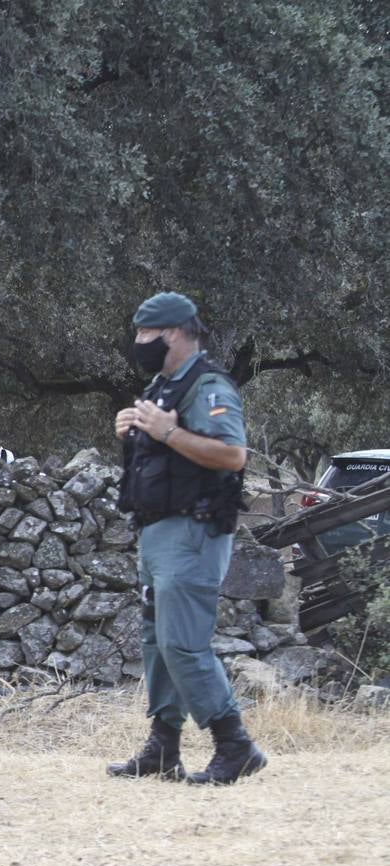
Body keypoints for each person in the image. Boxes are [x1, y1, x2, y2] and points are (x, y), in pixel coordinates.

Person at [110, 291, 266, 785]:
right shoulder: (163, 385)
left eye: (144, 334)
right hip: (157, 532)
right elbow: (159, 450)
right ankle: (164, 746)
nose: (138, 343)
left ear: (173, 333)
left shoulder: (209, 385)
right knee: (157, 641)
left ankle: (234, 744)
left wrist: (168, 434)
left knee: (183, 643)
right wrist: (134, 429)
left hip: (193, 532)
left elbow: (232, 455)